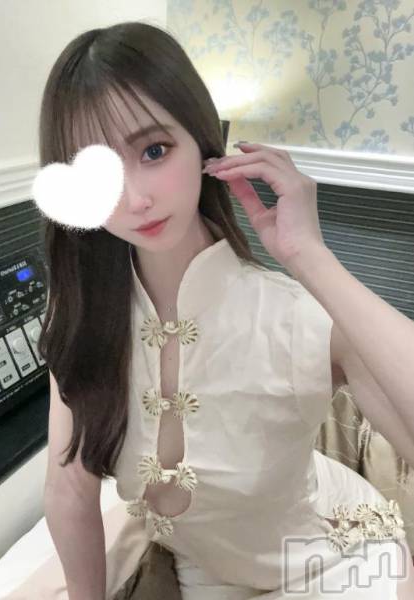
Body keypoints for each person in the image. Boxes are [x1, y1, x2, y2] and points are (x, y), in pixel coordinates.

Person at [38, 20, 414, 600]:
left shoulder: (296, 316)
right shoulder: (82, 319)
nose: (135, 198)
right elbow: (69, 491)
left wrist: (311, 258)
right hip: (209, 578)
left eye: (154, 150)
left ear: (203, 142)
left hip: (336, 565)